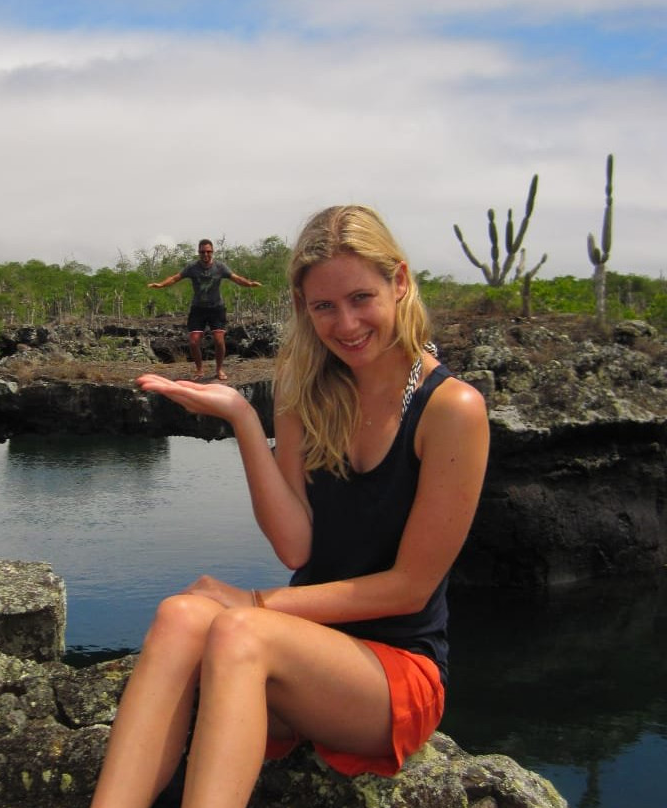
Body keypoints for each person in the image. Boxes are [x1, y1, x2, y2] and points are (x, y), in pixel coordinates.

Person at [91, 205, 490, 808]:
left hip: (393, 672)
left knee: (240, 632)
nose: (346, 323)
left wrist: (253, 603)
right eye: (323, 306)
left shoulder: (450, 408)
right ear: (304, 308)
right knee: (180, 616)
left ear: (400, 282)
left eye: (361, 297)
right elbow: (296, 547)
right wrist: (243, 419)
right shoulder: (306, 391)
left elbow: (410, 588)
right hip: (300, 644)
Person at [148, 239, 262, 381]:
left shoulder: (220, 267)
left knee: (219, 340)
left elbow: (236, 278)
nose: (206, 254)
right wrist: (161, 285)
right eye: (202, 252)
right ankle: (199, 370)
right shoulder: (192, 268)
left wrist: (249, 284)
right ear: (199, 252)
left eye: (208, 251)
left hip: (216, 308)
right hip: (198, 309)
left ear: (212, 252)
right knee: (194, 341)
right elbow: (175, 278)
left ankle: (219, 369)